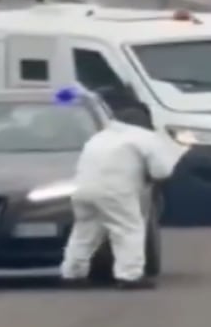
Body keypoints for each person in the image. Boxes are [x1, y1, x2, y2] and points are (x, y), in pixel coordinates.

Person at [60, 106, 181, 290]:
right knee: (128, 229)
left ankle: (72, 274)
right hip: (115, 191)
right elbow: (162, 171)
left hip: (83, 189)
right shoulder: (145, 137)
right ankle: (130, 276)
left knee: (84, 231)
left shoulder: (99, 137)